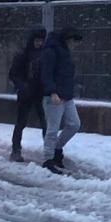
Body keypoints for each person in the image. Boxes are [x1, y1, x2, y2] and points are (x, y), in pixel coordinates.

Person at [40, 27, 83, 174]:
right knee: (52, 129)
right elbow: (46, 73)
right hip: (54, 96)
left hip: (66, 95)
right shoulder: (51, 51)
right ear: (68, 39)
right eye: (74, 42)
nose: (75, 45)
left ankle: (57, 149)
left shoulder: (64, 51)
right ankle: (48, 159)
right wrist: (52, 91)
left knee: (74, 124)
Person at [8, 27, 47, 162]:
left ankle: (49, 153)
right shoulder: (23, 55)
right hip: (26, 93)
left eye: (41, 41)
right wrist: (23, 86)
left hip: (40, 93)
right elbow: (13, 74)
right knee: (21, 122)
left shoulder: (45, 55)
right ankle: (16, 150)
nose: (39, 43)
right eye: (37, 41)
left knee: (45, 123)